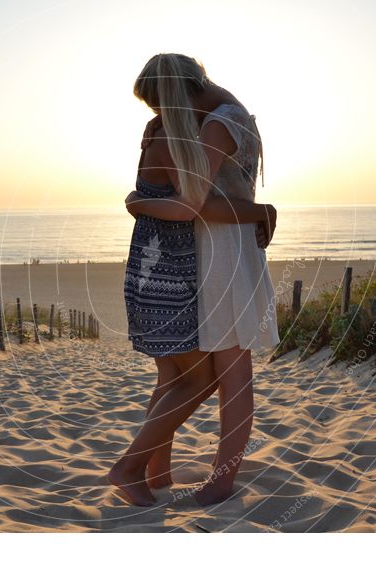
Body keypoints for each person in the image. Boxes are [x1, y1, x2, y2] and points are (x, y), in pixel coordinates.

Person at [108, 53, 278, 506]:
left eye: (161, 105)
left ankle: (221, 480)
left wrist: (138, 201)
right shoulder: (223, 116)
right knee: (176, 371)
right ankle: (153, 470)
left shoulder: (217, 125)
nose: (159, 117)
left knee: (230, 371)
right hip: (200, 251)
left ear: (181, 92)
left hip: (219, 252)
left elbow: (195, 203)